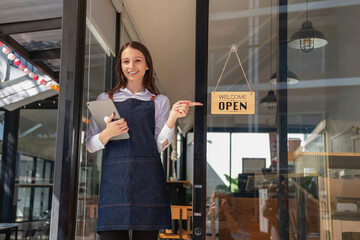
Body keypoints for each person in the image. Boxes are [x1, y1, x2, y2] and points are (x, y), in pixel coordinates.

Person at [86, 41, 202, 240]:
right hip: (114, 183)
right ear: (120, 66)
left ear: (147, 65)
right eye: (126, 61)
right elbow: (89, 145)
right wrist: (108, 133)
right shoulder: (106, 98)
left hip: (148, 181)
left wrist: (172, 117)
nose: (131, 66)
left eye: (137, 60)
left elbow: (158, 145)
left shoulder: (159, 101)